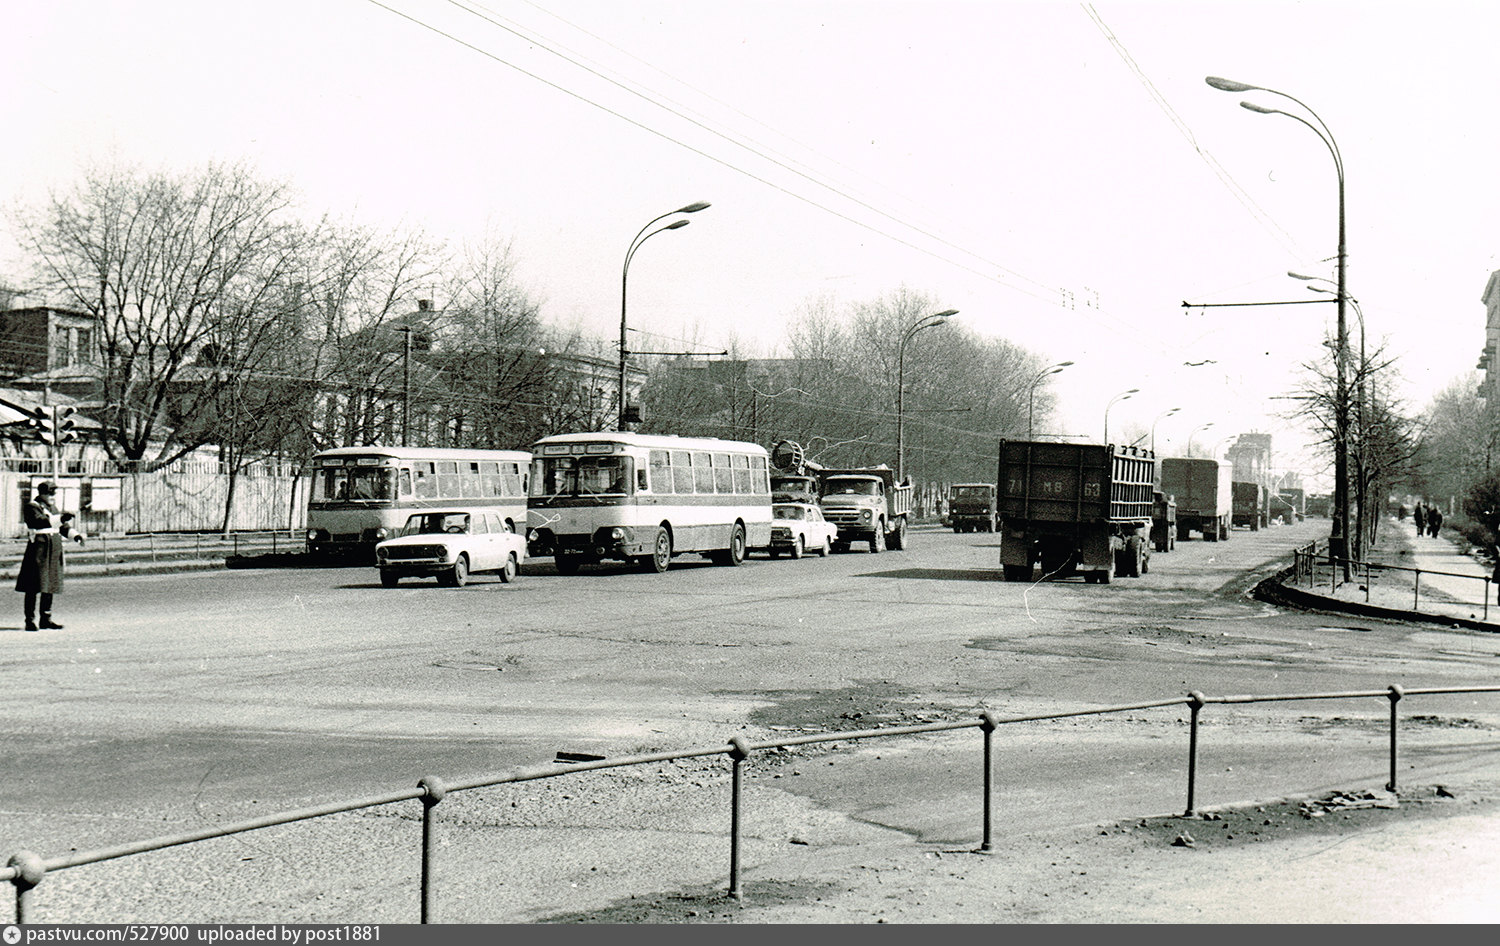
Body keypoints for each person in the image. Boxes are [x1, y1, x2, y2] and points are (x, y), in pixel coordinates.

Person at [15, 480, 84, 632]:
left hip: (53, 548)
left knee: (50, 584)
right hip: (39, 548)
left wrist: (75, 535)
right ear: (42, 493)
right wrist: (60, 518)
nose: (52, 495)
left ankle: (46, 619)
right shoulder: (31, 507)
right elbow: (39, 522)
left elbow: (61, 527)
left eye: (53, 492)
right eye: (49, 492)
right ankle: (30, 620)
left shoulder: (52, 507)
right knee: (33, 585)